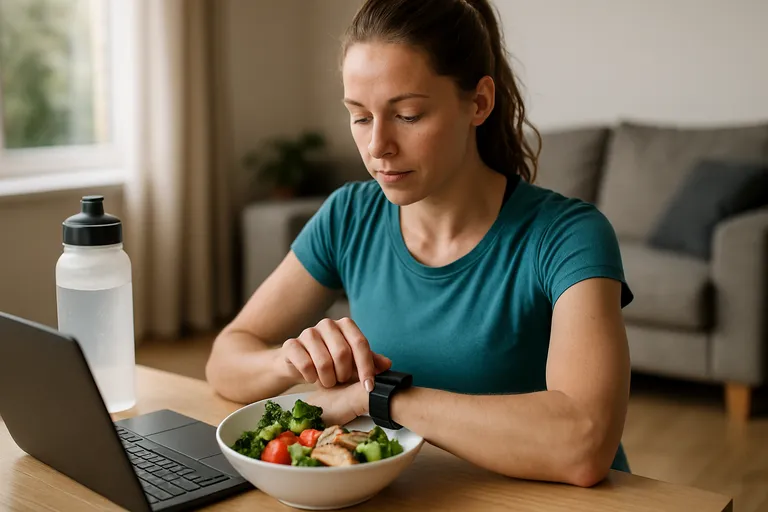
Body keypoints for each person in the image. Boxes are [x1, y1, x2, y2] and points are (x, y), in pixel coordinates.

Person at [206, 0, 633, 487]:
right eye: (360, 116)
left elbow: (584, 444)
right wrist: (292, 359)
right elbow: (225, 361)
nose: (377, 146)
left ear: (479, 103)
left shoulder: (568, 235)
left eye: (407, 115)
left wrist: (381, 397)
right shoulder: (350, 215)